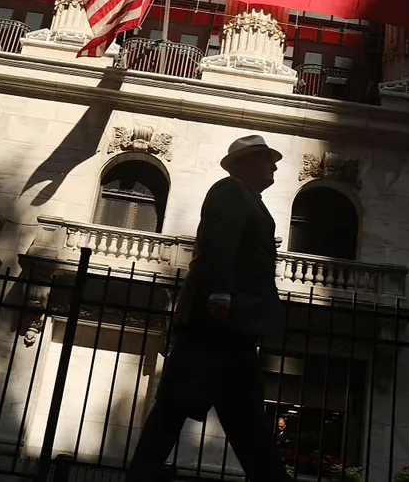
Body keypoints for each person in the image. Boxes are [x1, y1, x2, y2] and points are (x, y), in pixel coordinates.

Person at [125, 135, 292, 482]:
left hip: (232, 328)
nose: (274, 165)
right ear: (244, 162)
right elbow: (218, 243)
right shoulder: (230, 190)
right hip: (218, 326)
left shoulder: (249, 198)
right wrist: (220, 294)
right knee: (178, 410)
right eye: (266, 159)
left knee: (240, 421)